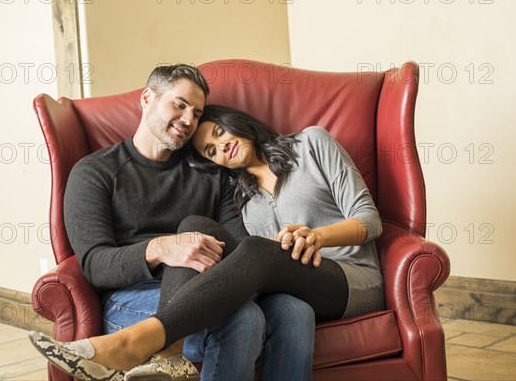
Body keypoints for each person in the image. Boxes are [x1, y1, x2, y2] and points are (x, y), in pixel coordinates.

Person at [30, 86, 385, 381]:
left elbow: (370, 219)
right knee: (195, 229)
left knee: (257, 251)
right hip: (292, 282)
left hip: (352, 279)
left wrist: (320, 236)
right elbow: (248, 261)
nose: (222, 147)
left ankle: (143, 341)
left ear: (235, 122)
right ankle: (168, 353)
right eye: (211, 151)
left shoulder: (311, 144)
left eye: (219, 132)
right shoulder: (239, 193)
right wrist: (165, 247)